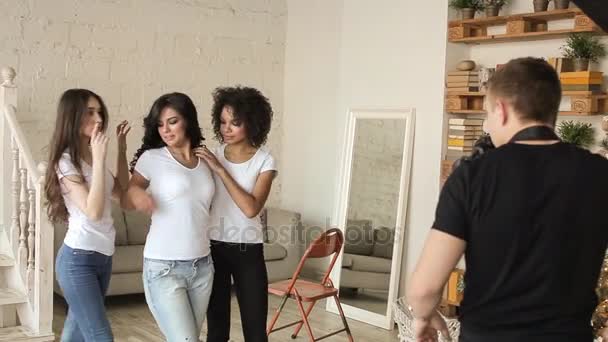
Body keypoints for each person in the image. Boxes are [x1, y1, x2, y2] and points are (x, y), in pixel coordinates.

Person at [407, 57, 608, 342]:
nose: (488, 124)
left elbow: (423, 290)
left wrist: (423, 315)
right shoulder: (600, 173)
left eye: (487, 114)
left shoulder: (471, 176)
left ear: (501, 110)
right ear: (552, 111)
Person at [122, 92, 215, 341]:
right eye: (160, 124)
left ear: (188, 120)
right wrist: (137, 194)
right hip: (164, 267)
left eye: (172, 121)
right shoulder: (152, 158)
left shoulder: (205, 161)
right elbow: (129, 193)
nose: (165, 130)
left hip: (203, 266)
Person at [45, 89, 130, 342]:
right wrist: (100, 155)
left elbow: (120, 192)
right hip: (77, 260)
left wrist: (121, 150)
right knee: (101, 336)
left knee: (76, 331)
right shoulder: (64, 163)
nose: (99, 119)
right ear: (73, 116)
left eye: (100, 112)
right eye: (90, 112)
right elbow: (92, 211)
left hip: (103, 256)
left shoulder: (92, 159)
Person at [200, 86, 277, 342]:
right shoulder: (211, 155)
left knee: (255, 331)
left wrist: (220, 170)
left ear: (253, 123)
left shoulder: (265, 161)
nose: (226, 129)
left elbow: (251, 208)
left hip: (248, 251)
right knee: (217, 329)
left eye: (235, 123)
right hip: (213, 247)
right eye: (222, 122)